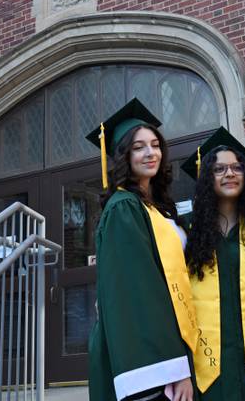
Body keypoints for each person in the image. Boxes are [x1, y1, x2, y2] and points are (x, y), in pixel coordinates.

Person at [86, 98, 198, 401]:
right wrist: (176, 370)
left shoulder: (158, 209)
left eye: (155, 144)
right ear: (124, 156)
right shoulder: (124, 208)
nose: (151, 153)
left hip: (172, 346)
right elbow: (141, 293)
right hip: (151, 359)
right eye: (138, 147)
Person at [181, 127, 245, 401]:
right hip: (211, 362)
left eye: (237, 168)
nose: (229, 174)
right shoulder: (189, 233)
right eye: (219, 169)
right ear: (207, 178)